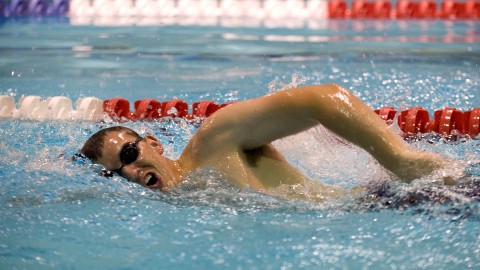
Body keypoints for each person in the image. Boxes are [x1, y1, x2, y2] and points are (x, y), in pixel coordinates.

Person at [80, 84, 453, 201]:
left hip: (394, 203)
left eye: (129, 153)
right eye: (117, 173)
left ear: (154, 143)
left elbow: (320, 98)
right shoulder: (185, 199)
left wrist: (399, 158)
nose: (130, 171)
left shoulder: (211, 142)